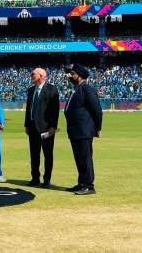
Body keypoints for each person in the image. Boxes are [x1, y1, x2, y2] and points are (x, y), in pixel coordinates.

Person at [64, 64, 103, 195]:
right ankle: (82, 183)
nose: (70, 75)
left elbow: (97, 111)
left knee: (85, 159)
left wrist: (98, 128)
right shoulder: (76, 89)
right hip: (75, 131)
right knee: (79, 158)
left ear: (79, 76)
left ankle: (89, 186)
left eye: (73, 73)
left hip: (84, 130)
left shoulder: (87, 89)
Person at [24, 68, 59, 188]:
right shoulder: (31, 90)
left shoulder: (51, 89)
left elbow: (55, 110)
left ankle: (47, 180)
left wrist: (53, 126)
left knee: (48, 155)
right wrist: (26, 124)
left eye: (33, 74)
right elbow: (28, 109)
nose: (31, 76)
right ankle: (35, 179)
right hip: (33, 128)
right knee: (34, 155)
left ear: (41, 75)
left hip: (46, 129)